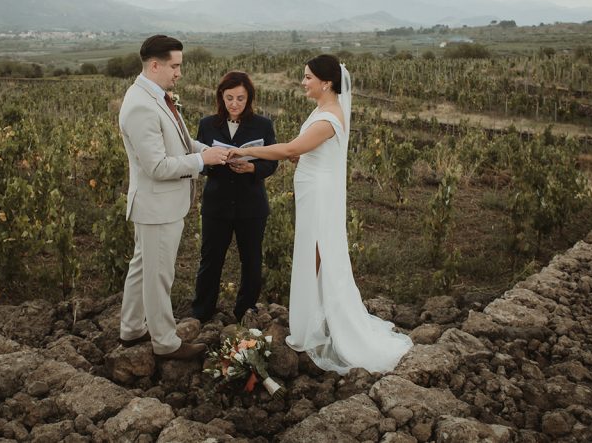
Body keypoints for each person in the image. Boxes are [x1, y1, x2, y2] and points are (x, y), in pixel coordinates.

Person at [231, 54, 413, 374]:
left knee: (319, 252)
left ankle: (320, 322)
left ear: (325, 82)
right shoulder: (322, 110)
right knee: (315, 252)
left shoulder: (329, 118)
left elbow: (291, 149)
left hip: (319, 195)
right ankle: (316, 316)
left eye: (307, 77)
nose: (303, 83)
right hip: (311, 189)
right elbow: (307, 153)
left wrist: (246, 149)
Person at [118, 35, 230, 360]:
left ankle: (131, 329)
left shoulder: (158, 97)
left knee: (142, 268)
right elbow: (156, 166)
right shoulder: (140, 105)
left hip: (160, 204)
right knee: (159, 275)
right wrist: (202, 162)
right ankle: (166, 343)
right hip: (156, 206)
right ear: (155, 65)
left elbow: (180, 142)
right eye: (175, 66)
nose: (179, 72)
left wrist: (210, 151)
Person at [191, 71, 278, 324]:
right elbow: (199, 162)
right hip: (216, 204)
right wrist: (213, 162)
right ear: (221, 97)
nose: (235, 104)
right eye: (229, 98)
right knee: (210, 260)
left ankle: (245, 312)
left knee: (251, 260)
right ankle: (201, 313)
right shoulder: (207, 124)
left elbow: (271, 163)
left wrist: (252, 168)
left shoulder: (263, 125)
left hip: (251, 205)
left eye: (240, 98)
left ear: (249, 98)